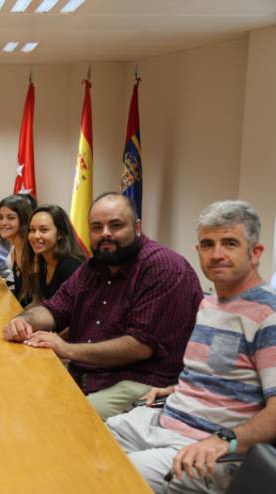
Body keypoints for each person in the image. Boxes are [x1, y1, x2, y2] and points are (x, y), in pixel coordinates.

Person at [106, 200, 276, 494]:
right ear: (198, 251)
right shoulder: (209, 303)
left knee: (110, 479)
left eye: (230, 243)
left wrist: (225, 440)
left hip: (207, 446)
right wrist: (177, 388)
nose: (217, 254)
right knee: (82, 441)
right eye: (208, 244)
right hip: (162, 422)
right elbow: (227, 375)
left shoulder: (268, 317)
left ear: (255, 252)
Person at [3, 192, 203, 418]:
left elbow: (140, 345)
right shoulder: (93, 267)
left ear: (137, 227)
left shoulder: (163, 267)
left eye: (116, 225)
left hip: (141, 380)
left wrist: (67, 349)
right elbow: (55, 308)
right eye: (97, 227)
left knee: (68, 418)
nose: (105, 233)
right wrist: (23, 321)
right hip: (88, 372)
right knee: (19, 391)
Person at [22, 204, 85, 305]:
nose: (36, 236)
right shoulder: (44, 260)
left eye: (44, 230)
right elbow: (38, 303)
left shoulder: (70, 266)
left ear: (60, 234)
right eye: (32, 230)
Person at [0, 195, 33, 304]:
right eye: (0, 217)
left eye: (11, 217)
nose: (3, 223)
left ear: (23, 220)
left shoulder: (32, 250)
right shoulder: (13, 249)